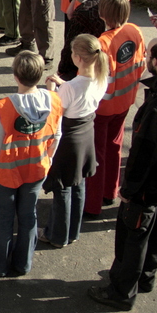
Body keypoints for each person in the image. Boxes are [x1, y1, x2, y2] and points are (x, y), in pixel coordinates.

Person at [87, 37, 157, 310]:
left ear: (156, 62)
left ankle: (121, 292)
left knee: (132, 236)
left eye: (148, 55)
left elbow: (143, 153)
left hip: (150, 181)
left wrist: (128, 190)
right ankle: (145, 277)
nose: (145, 58)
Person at [0, 51, 62, 277]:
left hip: (6, 175)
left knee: (5, 219)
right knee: (28, 217)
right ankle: (23, 263)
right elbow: (57, 135)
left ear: (16, 75)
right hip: (36, 170)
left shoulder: (5, 107)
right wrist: (48, 161)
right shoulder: (54, 101)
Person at [41, 34, 108, 248]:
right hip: (87, 133)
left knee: (63, 189)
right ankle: (73, 231)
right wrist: (64, 85)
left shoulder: (70, 88)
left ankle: (57, 235)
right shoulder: (101, 77)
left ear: (78, 57)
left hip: (69, 140)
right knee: (79, 184)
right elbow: (80, 92)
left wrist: (52, 90)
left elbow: (56, 110)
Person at [84, 0, 146, 217]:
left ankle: (91, 205)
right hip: (126, 101)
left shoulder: (102, 43)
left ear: (102, 14)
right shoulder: (135, 30)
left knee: (96, 155)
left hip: (103, 108)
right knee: (115, 146)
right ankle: (110, 191)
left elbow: (95, 78)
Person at [56, 0, 108, 80]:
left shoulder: (83, 11)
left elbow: (71, 44)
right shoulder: (110, 3)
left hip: (81, 69)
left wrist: (62, 70)